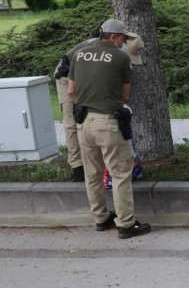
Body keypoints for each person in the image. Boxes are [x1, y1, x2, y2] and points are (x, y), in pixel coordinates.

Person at [67, 19, 151, 239]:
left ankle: (101, 218)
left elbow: (70, 91)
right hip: (109, 123)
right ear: (114, 37)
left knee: (92, 174)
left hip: (84, 123)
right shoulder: (120, 58)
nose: (123, 43)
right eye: (122, 38)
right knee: (120, 173)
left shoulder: (79, 54)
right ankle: (125, 224)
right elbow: (124, 96)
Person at [55, 35, 145, 182]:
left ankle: (102, 164)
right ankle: (77, 166)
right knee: (73, 120)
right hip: (66, 76)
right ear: (119, 42)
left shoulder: (118, 53)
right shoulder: (98, 51)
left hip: (87, 76)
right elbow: (82, 83)